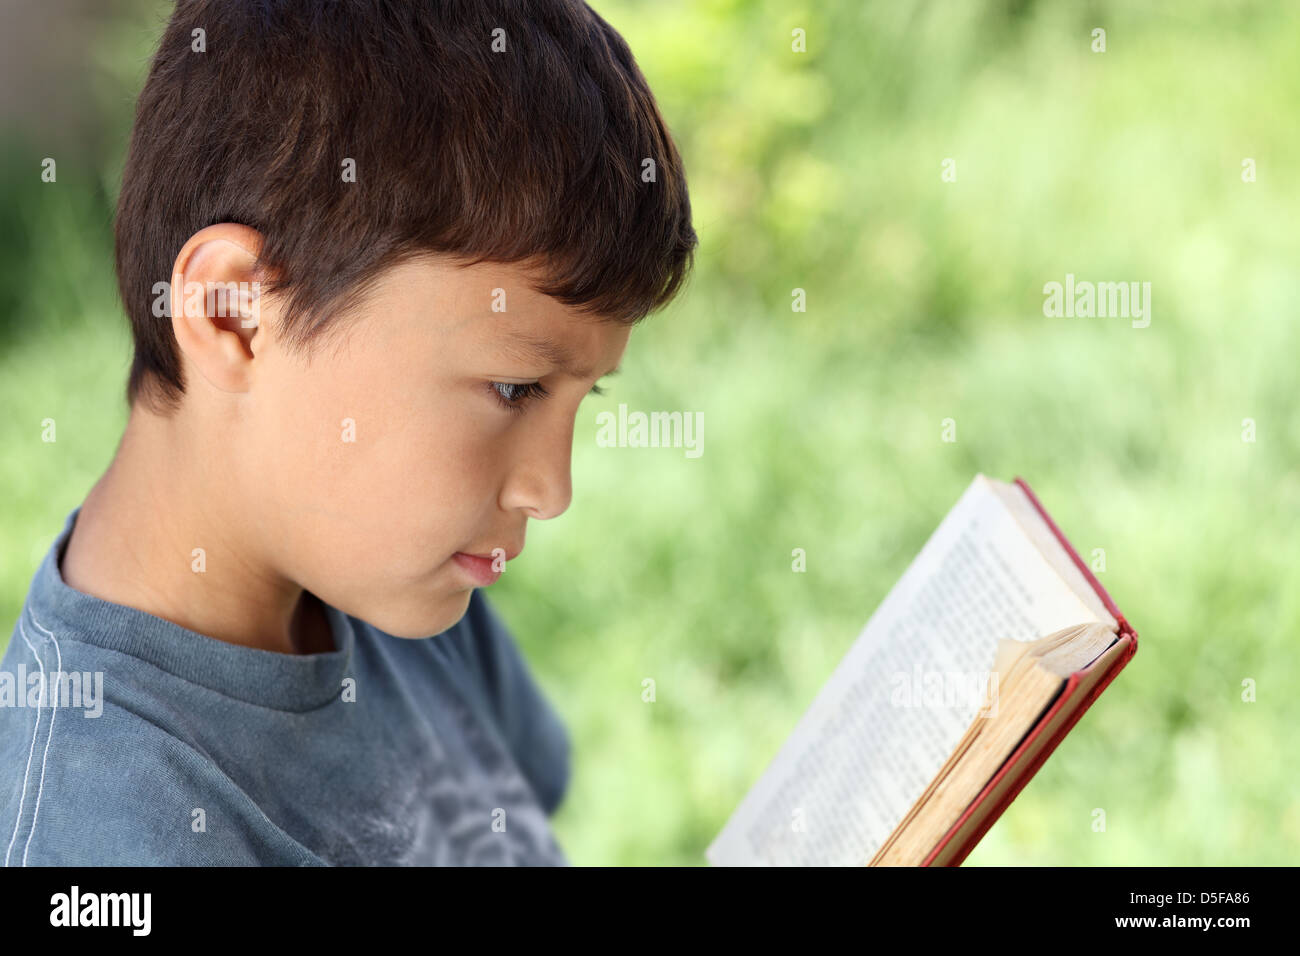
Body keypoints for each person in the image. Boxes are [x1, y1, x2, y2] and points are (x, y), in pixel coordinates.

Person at [0, 0, 696, 865]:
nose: (550, 493)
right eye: (516, 388)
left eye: (580, 401)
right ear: (235, 316)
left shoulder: (401, 581)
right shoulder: (99, 840)